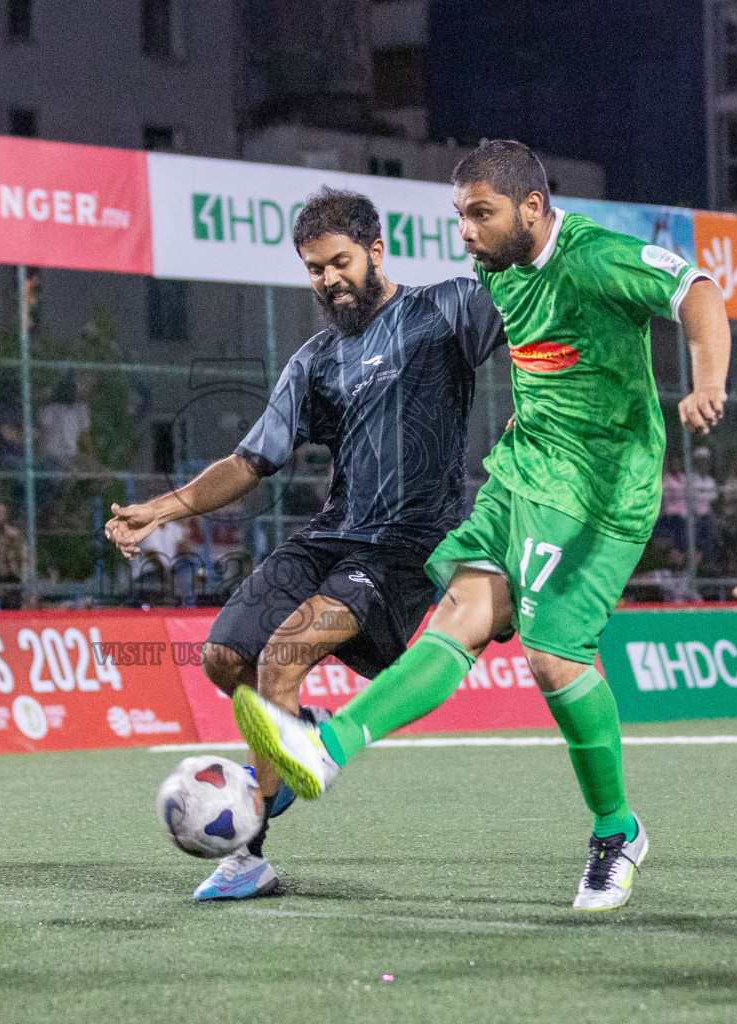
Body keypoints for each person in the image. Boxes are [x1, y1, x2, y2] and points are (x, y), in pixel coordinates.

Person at [232, 140, 730, 912]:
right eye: (460, 214)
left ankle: (616, 830)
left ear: (532, 207)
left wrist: (707, 383)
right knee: (460, 617)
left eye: (480, 213)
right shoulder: (498, 272)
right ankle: (324, 750)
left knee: (552, 660)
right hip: (522, 470)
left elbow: (697, 290)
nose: (465, 231)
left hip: (600, 490)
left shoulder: (595, 257)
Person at [106, 186, 505, 901]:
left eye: (339, 262)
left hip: (406, 549)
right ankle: (295, 733)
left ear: (376, 250)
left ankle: (248, 855)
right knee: (225, 654)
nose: (328, 280)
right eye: (315, 268)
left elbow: (536, 320)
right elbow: (249, 461)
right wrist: (158, 511)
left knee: (284, 654)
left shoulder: (445, 310)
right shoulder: (315, 360)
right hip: (332, 536)